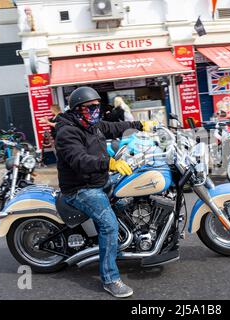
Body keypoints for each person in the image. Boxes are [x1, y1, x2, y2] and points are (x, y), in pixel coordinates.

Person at [54, 86, 153, 298]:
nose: (95, 111)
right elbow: (79, 160)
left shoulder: (92, 124)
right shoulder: (67, 132)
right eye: (90, 107)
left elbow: (114, 127)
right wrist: (110, 163)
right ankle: (110, 279)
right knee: (108, 225)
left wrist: (139, 125)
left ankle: (126, 243)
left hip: (99, 180)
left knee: (130, 198)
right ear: (78, 109)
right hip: (81, 188)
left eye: (97, 106)